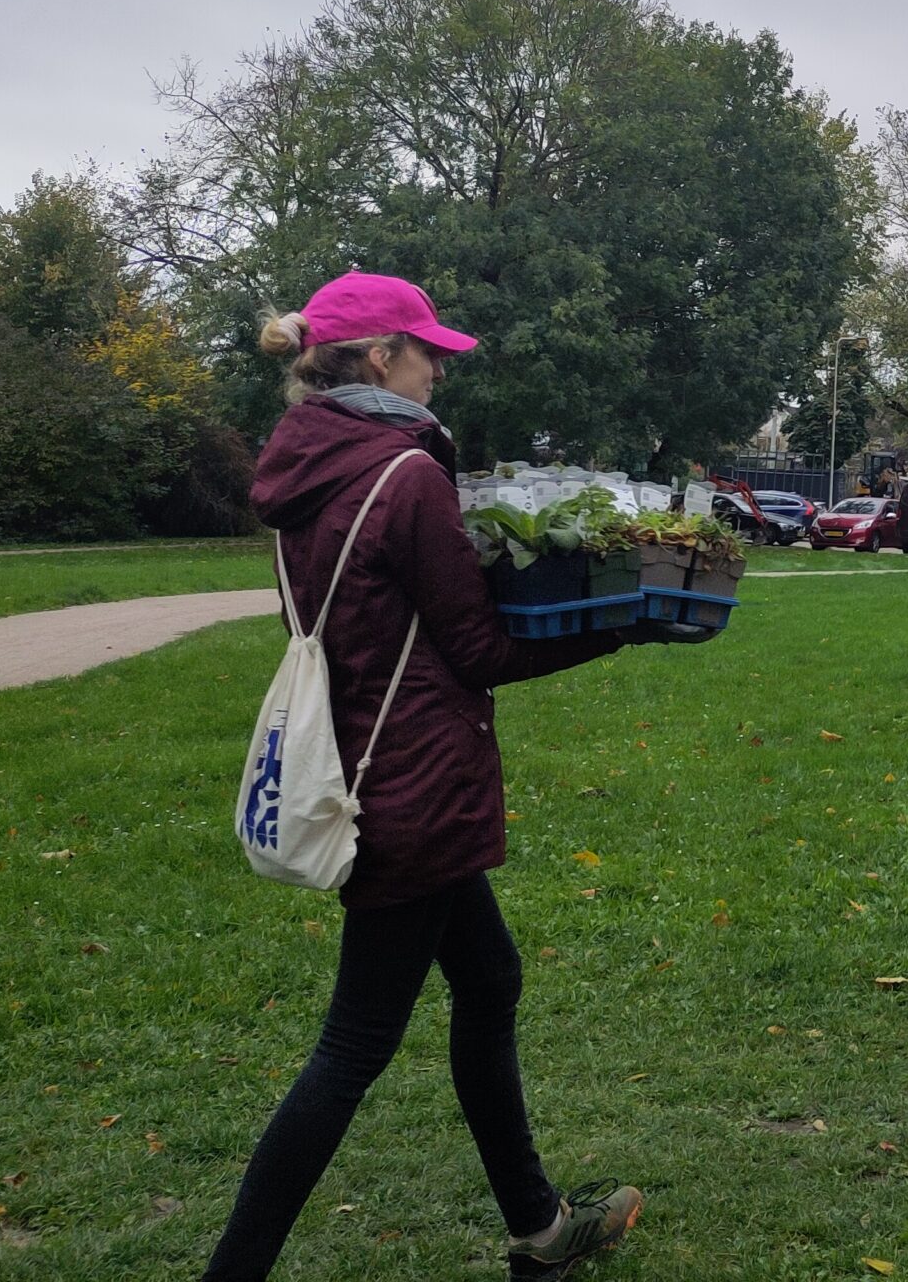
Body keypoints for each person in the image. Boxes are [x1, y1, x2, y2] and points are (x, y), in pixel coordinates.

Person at [205, 272, 642, 1282]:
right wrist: (620, 624)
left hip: (364, 759)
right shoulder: (401, 476)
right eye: (425, 349)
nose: (440, 366)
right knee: (353, 1047)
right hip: (413, 787)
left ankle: (538, 1228)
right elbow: (479, 650)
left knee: (489, 981)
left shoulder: (301, 472)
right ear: (377, 362)